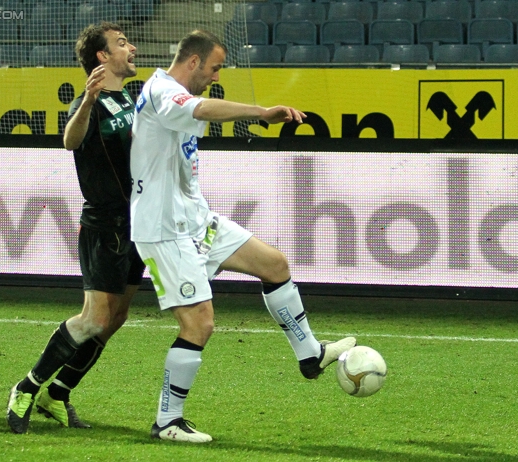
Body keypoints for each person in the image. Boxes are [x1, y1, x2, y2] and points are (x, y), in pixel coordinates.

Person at [129, 30, 357, 443]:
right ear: (194, 62)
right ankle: (167, 421)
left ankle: (310, 355)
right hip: (164, 228)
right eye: (215, 67)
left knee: (275, 264)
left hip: (195, 218)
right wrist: (260, 112)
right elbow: (201, 109)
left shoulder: (168, 94)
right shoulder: (163, 91)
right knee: (199, 324)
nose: (217, 75)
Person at [6, 22, 145, 434]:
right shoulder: (93, 100)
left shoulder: (130, 99)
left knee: (116, 316)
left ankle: (59, 393)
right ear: (103, 57)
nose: (131, 48)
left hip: (138, 222)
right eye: (122, 44)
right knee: (93, 319)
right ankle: (27, 387)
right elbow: (70, 140)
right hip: (105, 224)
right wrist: (86, 100)